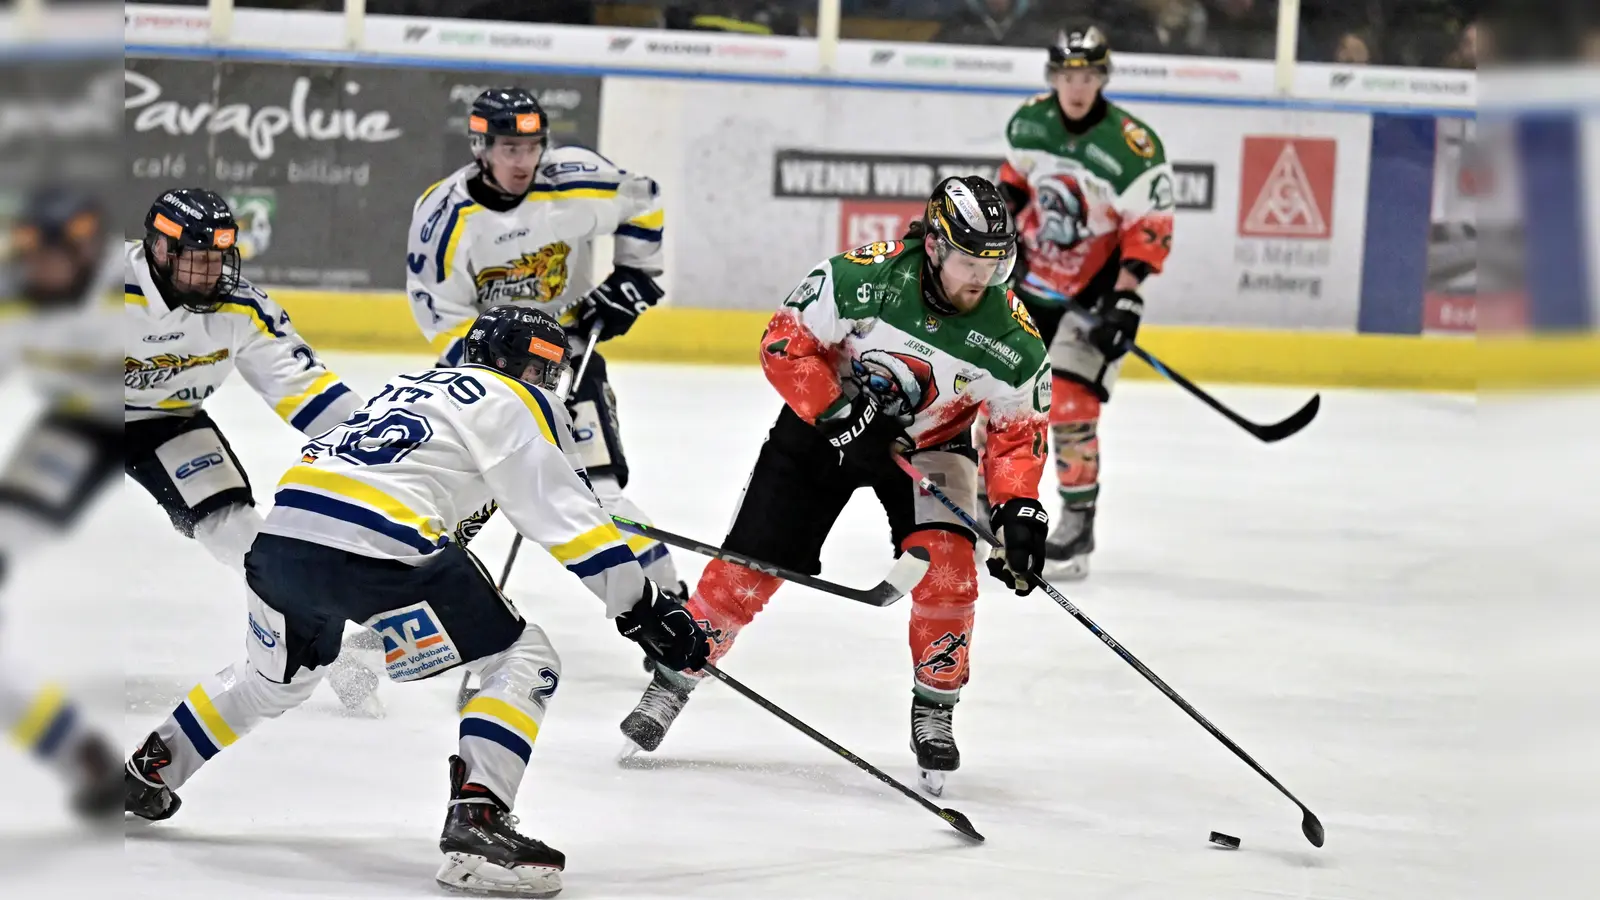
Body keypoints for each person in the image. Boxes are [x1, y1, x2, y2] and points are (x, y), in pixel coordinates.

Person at [123, 305, 710, 898]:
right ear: (502, 361)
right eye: (537, 365)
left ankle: (149, 769)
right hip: (383, 549)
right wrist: (644, 611)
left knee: (272, 681)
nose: (546, 380)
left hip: (282, 543)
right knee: (524, 659)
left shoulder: (406, 387)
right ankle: (477, 822)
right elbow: (568, 521)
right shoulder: (518, 401)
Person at [618, 176, 1051, 797]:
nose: (980, 276)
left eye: (993, 261)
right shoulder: (862, 276)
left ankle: (935, 705)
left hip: (928, 449)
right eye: (966, 258)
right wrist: (842, 416)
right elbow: (783, 343)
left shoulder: (1013, 338)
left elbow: (1018, 433)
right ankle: (672, 678)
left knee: (950, 570)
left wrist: (1020, 509)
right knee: (751, 564)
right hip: (821, 428)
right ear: (933, 246)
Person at [405, 87, 680, 595]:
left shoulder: (574, 181)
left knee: (599, 494)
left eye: (532, 148)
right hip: (485, 380)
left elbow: (644, 198)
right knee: (450, 504)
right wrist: (500, 385)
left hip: (569, 355)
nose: (523, 161)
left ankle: (675, 606)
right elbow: (442, 318)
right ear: (480, 147)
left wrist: (634, 277)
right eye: (510, 148)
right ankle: (405, 611)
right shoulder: (445, 216)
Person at [124, 188, 382, 713]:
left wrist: (377, 446)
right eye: (198, 260)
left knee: (244, 536)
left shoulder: (240, 307)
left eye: (219, 258)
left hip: (163, 422)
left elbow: (303, 387)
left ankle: (327, 655)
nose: (212, 272)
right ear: (159, 250)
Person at [994, 26, 1176, 579]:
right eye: (1068, 76)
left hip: (1094, 295)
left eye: (1089, 76)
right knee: (999, 396)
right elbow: (1013, 185)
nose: (1078, 87)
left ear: (1103, 78)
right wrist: (1001, 235)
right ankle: (991, 512)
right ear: (1053, 78)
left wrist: (1125, 299)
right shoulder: (1029, 122)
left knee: (1070, 405)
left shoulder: (1132, 145)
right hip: (1031, 284)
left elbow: (1150, 226)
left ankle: (1076, 526)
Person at [0, 186, 125, 821]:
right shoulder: (14, 299)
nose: (34, 269)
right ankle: (82, 757)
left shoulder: (134, 285)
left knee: (226, 528)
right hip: (77, 427)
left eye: (46, 254)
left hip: (158, 420)